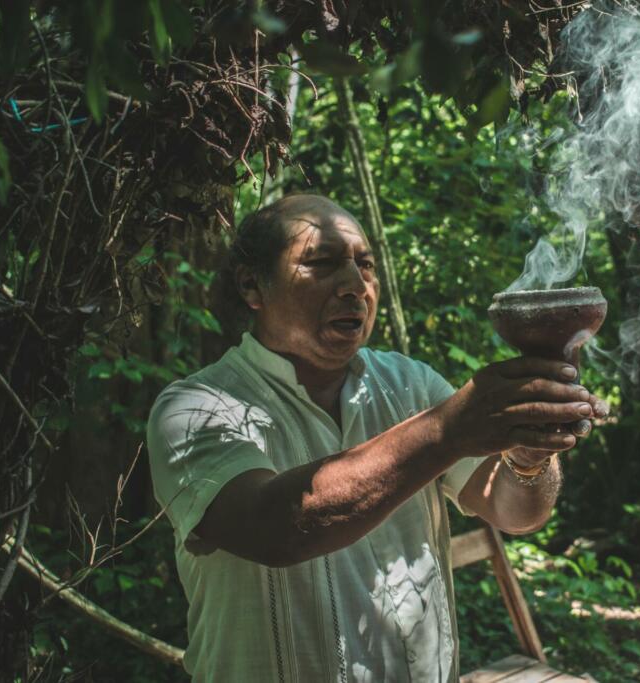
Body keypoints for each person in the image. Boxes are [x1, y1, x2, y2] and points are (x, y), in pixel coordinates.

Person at [146, 194, 608, 682]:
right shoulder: (195, 408)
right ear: (252, 286)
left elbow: (515, 511)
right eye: (321, 264)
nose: (354, 286)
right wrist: (449, 430)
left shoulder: (410, 383)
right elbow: (272, 529)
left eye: (365, 266)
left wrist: (530, 453)